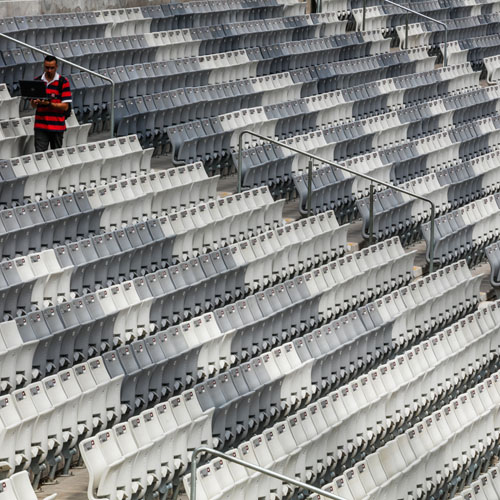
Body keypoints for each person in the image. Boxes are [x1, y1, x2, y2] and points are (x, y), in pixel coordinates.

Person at [31, 55, 72, 152]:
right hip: (41, 126)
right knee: (40, 156)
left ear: (56, 67)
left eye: (52, 68)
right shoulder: (37, 81)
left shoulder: (63, 82)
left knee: (57, 156)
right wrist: (35, 102)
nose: (49, 70)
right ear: (44, 66)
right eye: (47, 68)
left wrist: (49, 104)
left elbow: (65, 107)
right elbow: (33, 105)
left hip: (57, 126)